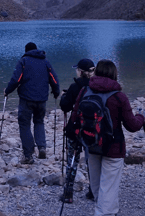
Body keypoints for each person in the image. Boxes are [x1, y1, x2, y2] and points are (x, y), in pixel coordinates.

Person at [70, 59, 145, 216]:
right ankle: (106, 212)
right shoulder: (119, 97)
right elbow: (132, 126)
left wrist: (76, 138)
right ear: (114, 74)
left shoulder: (85, 91)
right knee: (108, 189)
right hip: (114, 148)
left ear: (96, 73)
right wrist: (141, 117)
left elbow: (75, 118)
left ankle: (110, 211)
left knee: (99, 190)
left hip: (91, 144)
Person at [4, 42, 60, 164]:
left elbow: (16, 79)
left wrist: (7, 91)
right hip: (41, 100)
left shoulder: (23, 61)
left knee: (24, 124)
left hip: (26, 99)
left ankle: (28, 155)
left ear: (26, 51)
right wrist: (56, 92)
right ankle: (41, 147)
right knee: (39, 121)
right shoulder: (45, 61)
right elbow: (54, 78)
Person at [60, 58, 95, 203]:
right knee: (92, 160)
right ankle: (93, 191)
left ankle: (68, 193)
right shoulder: (97, 86)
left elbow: (65, 106)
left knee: (72, 160)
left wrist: (64, 96)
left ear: (80, 72)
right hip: (93, 129)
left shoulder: (75, 87)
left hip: (76, 129)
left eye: (77, 69)